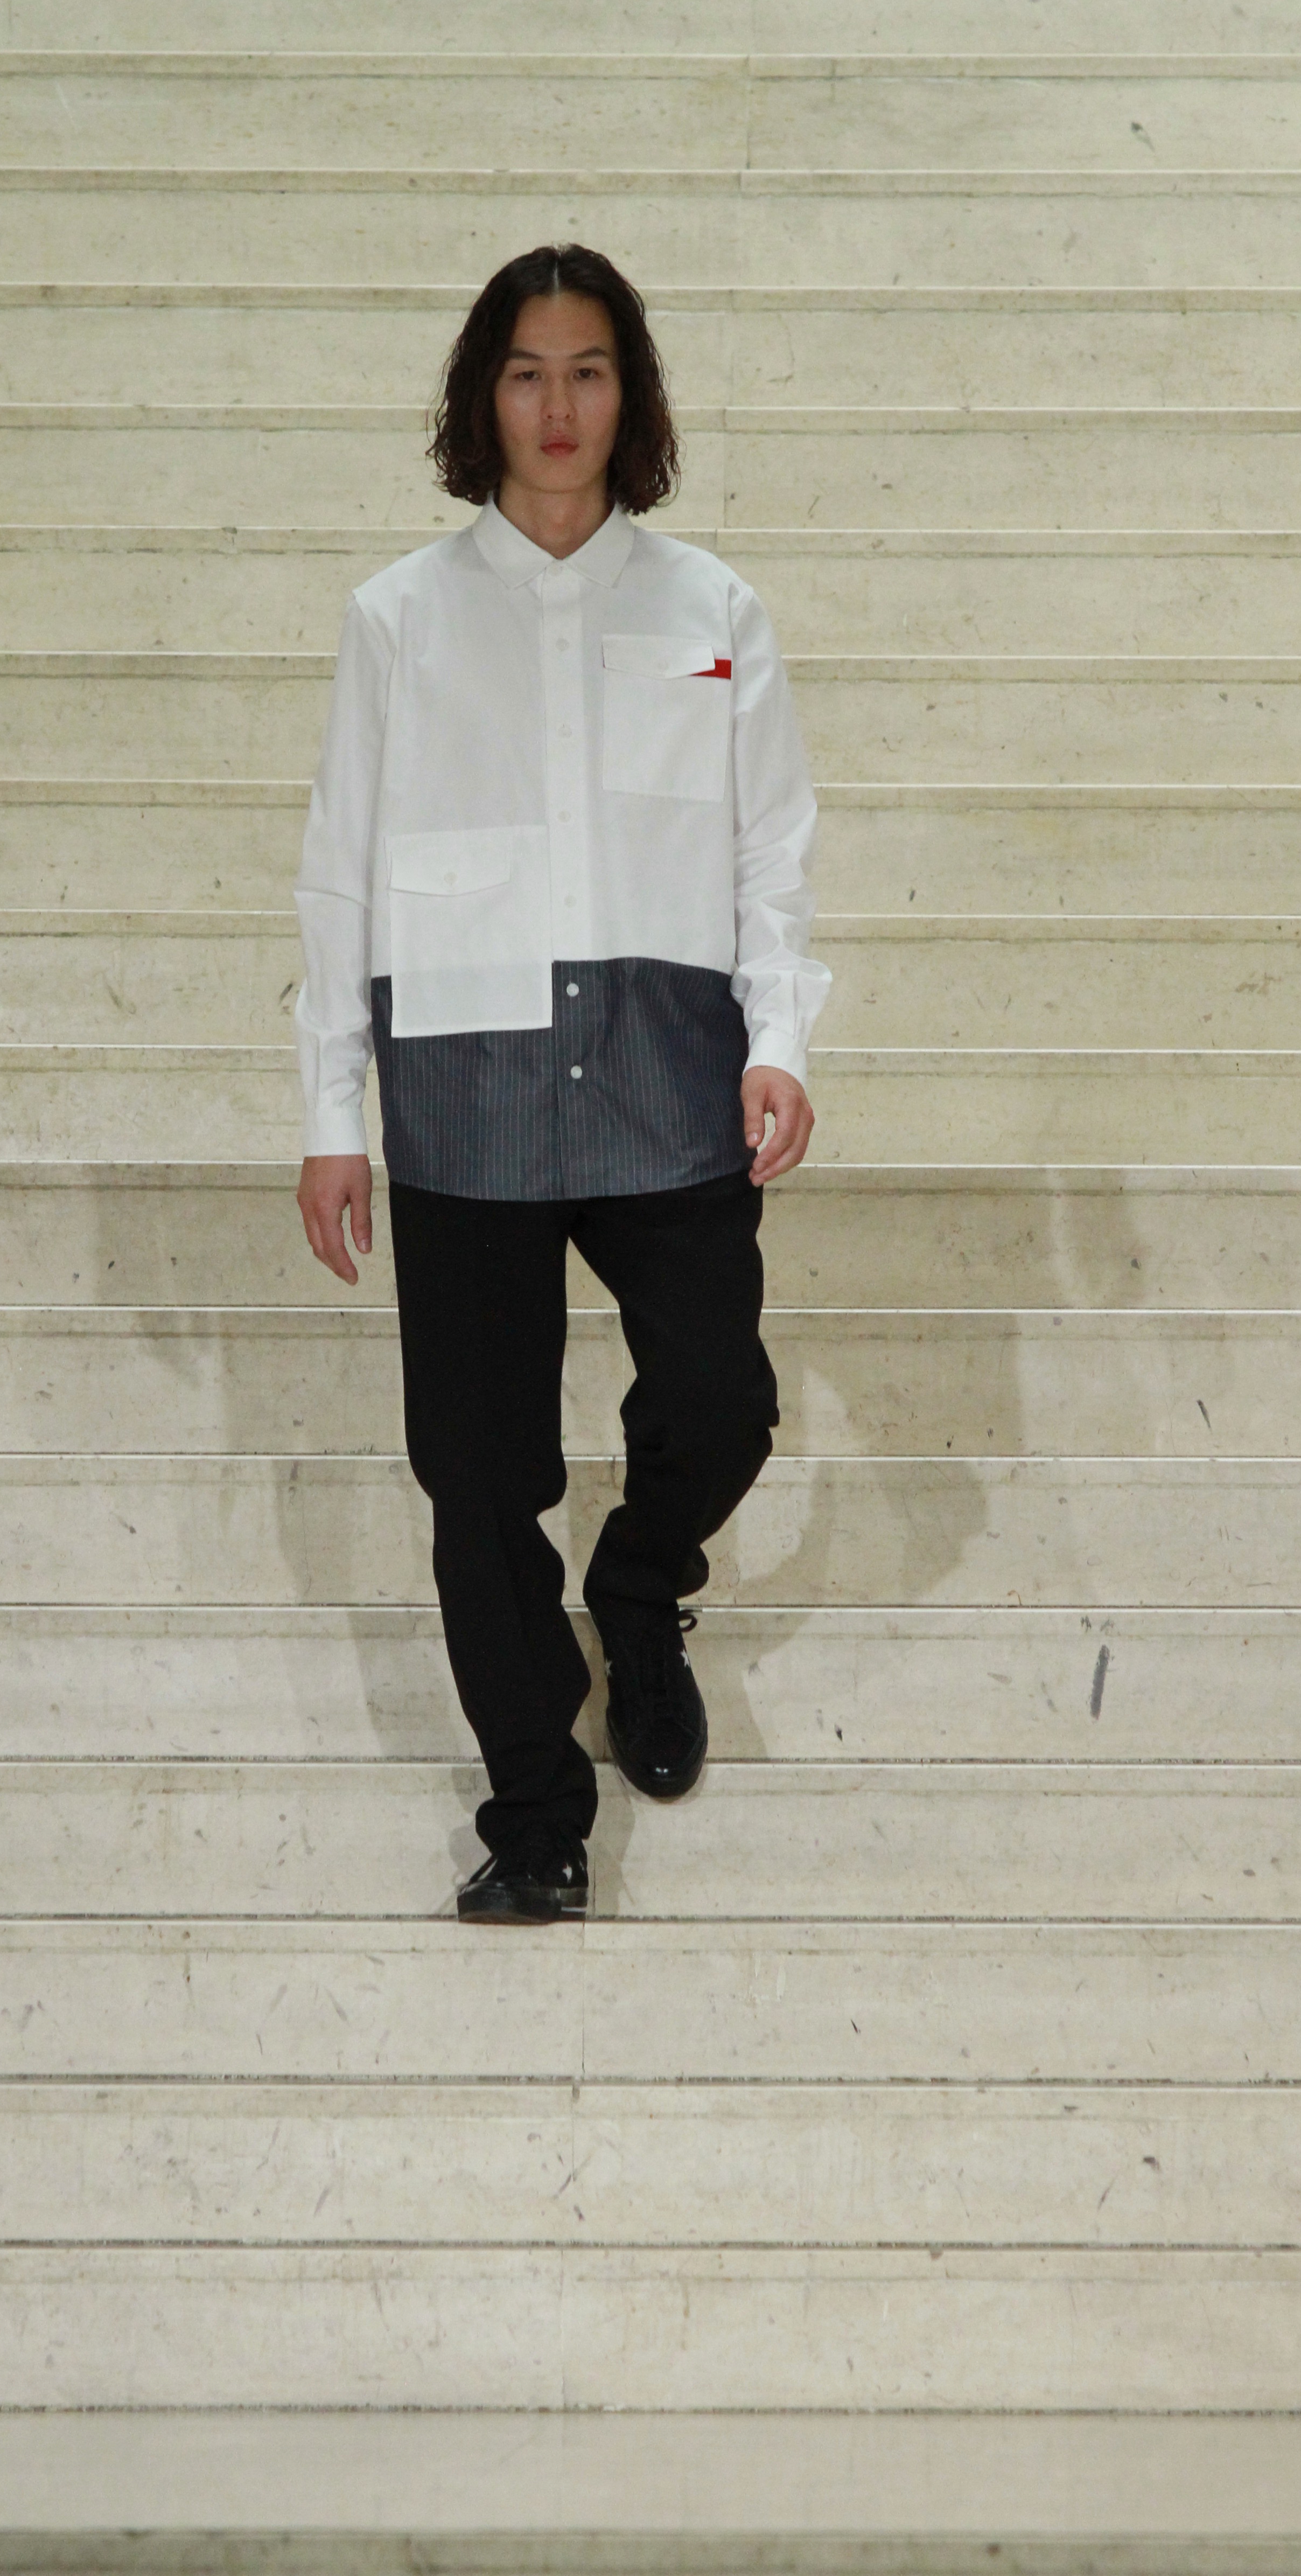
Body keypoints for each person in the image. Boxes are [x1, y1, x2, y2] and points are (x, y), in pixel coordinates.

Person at [293, 242, 828, 1925]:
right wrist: (328, 1114)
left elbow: (772, 850)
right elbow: (338, 872)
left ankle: (642, 1590)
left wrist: (779, 1039)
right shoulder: (399, 618)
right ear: (484, 394)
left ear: (630, 393)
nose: (557, 405)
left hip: (668, 1070)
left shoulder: (712, 612)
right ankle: (536, 1810)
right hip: (463, 1082)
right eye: (526, 371)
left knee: (723, 1400)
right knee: (477, 1475)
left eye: (589, 370)